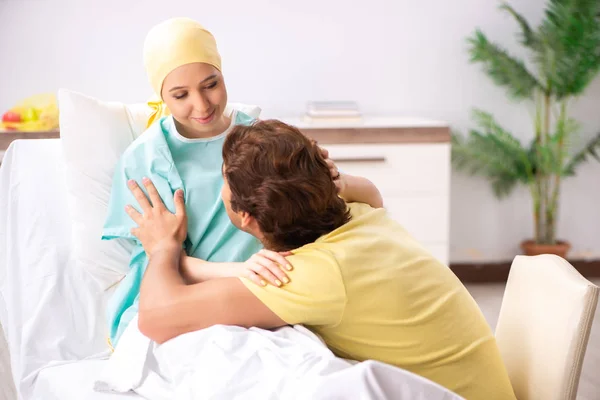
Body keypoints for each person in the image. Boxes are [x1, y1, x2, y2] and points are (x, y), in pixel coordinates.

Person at [124, 119, 517, 400]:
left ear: (246, 217)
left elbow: (157, 318)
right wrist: (334, 180)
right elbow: (371, 193)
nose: (220, 185)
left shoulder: (309, 274)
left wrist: (162, 248)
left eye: (224, 179)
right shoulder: (360, 216)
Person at [102, 17, 382, 347]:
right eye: (181, 95)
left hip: (268, 289)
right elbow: (159, 257)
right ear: (162, 95)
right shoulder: (148, 159)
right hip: (189, 294)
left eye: (211, 85)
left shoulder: (259, 137)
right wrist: (241, 270)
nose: (202, 104)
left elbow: (334, 204)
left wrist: (334, 180)